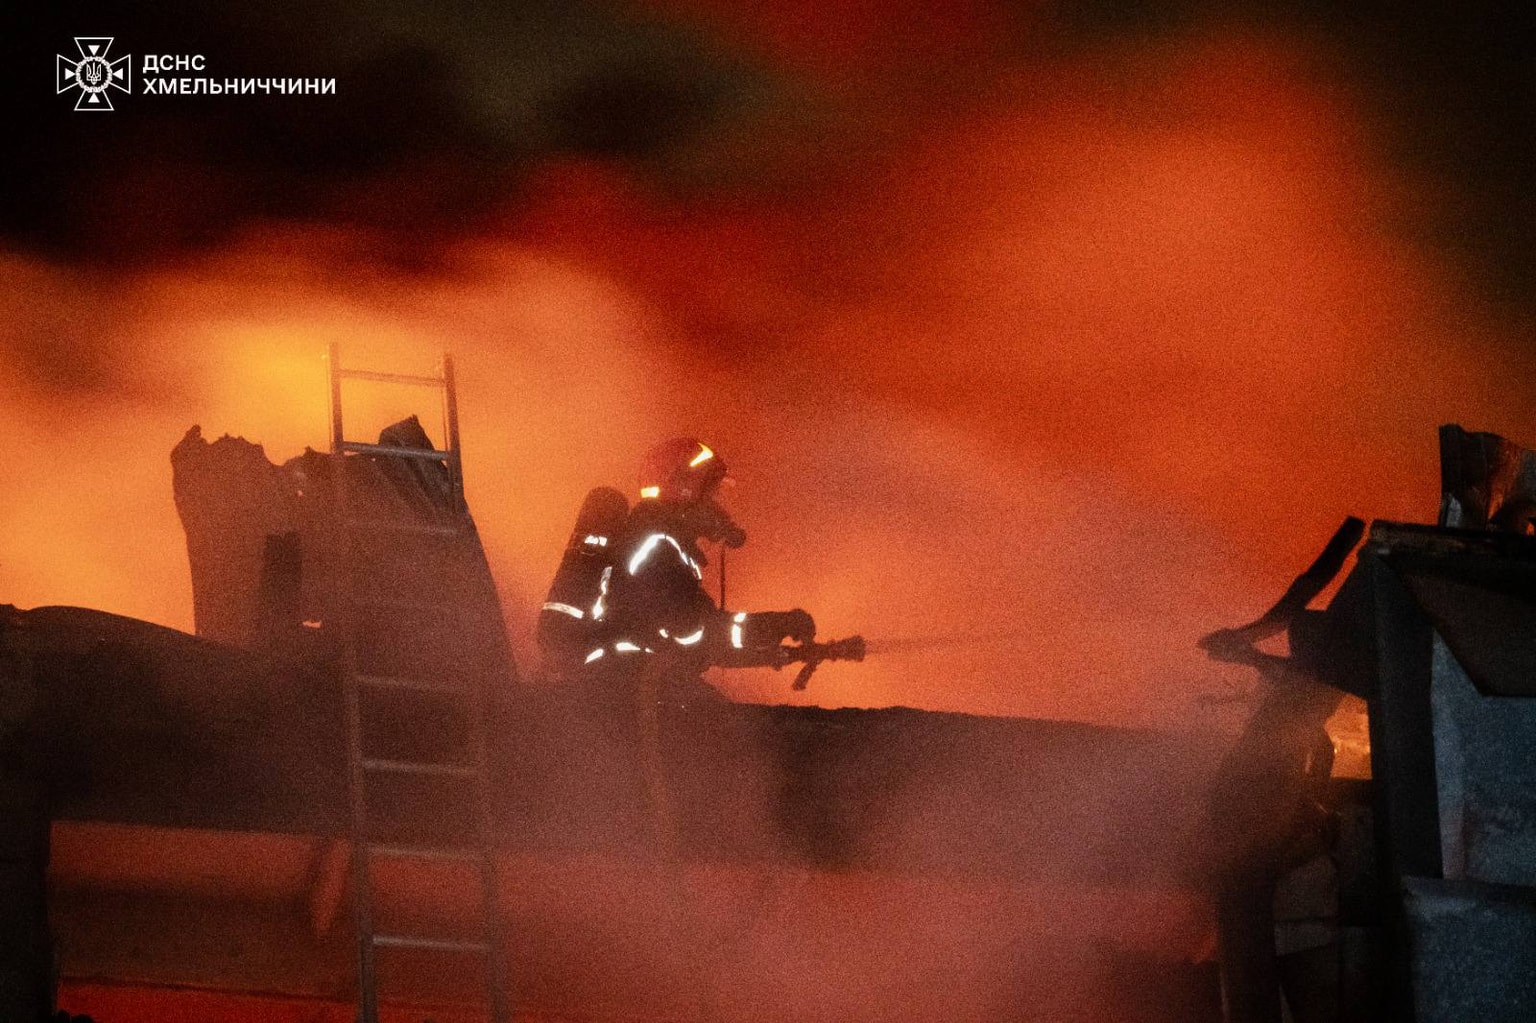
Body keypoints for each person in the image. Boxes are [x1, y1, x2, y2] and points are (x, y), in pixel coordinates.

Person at [540, 437, 816, 699]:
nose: (718, 507)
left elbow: (700, 639)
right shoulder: (654, 544)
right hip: (624, 685)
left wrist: (774, 650)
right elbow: (693, 631)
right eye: (712, 494)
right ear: (685, 489)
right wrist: (777, 625)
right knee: (719, 725)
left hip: (623, 680)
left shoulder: (658, 542)